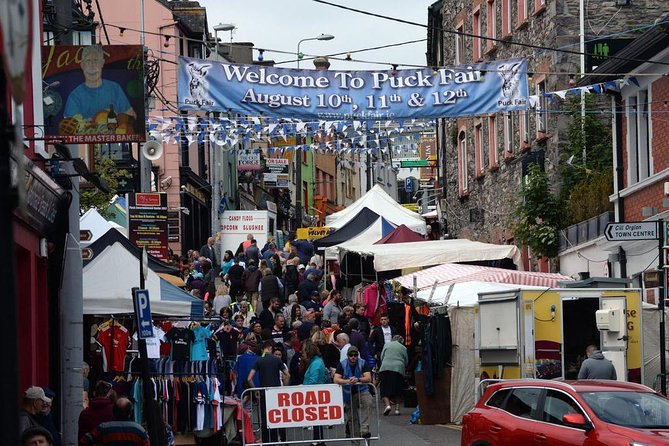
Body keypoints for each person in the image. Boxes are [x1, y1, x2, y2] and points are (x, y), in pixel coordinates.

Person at [63, 45, 136, 120]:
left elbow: (132, 116)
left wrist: (116, 116)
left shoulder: (114, 88)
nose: (92, 66)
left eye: (95, 60)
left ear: (102, 63)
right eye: (88, 61)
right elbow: (68, 126)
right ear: (82, 65)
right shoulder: (75, 96)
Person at [247, 341, 290, 444]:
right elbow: (287, 375)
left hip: (264, 392)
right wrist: (284, 387)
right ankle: (277, 440)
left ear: (263, 349)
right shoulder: (277, 360)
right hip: (276, 393)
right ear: (270, 348)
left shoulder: (259, 360)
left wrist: (256, 389)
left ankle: (266, 441)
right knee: (277, 416)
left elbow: (249, 378)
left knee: (265, 418)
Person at [334, 346, 373, 444]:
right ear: (347, 356)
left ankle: (364, 430)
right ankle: (355, 443)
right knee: (353, 419)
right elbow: (336, 379)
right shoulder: (342, 364)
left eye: (355, 355)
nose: (353, 357)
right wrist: (347, 381)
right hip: (348, 394)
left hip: (362, 390)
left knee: (368, 401)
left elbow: (368, 377)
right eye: (351, 355)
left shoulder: (363, 363)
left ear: (358, 355)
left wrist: (358, 379)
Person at [80, 397, 149, 446]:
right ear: (130, 413)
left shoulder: (103, 428)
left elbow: (84, 441)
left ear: (113, 411)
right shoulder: (139, 430)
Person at [303, 342, 329, 446]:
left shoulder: (316, 363)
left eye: (304, 350)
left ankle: (318, 441)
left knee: (316, 418)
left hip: (314, 393)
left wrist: (303, 387)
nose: (302, 353)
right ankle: (318, 440)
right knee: (317, 419)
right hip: (315, 392)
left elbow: (313, 380)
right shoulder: (316, 362)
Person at [378, 335, 408, 416]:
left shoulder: (387, 344)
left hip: (385, 367)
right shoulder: (403, 348)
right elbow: (406, 360)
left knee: (384, 388)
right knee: (398, 389)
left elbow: (382, 357)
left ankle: (388, 406)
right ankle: (397, 409)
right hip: (398, 368)